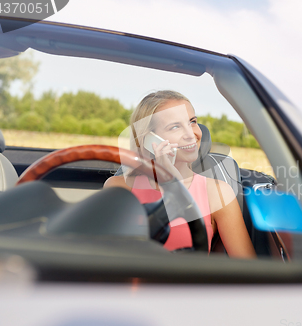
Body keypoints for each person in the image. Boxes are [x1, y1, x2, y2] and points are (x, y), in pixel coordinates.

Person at [105, 90, 256, 259]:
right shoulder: (119, 187)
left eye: (192, 122)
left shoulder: (218, 192)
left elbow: (248, 269)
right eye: (175, 126)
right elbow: (103, 257)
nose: (191, 134)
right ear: (150, 140)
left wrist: (174, 186)